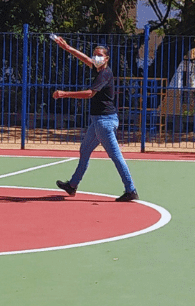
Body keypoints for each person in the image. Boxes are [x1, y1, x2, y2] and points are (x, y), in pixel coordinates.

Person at [51, 38, 139, 202]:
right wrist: (67, 47)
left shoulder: (104, 74)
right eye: (95, 55)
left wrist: (65, 94)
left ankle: (131, 189)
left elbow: (90, 93)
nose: (96, 58)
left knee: (116, 156)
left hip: (104, 122)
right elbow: (84, 58)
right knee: (85, 150)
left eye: (99, 55)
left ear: (106, 58)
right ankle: (72, 185)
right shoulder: (97, 68)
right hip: (98, 121)